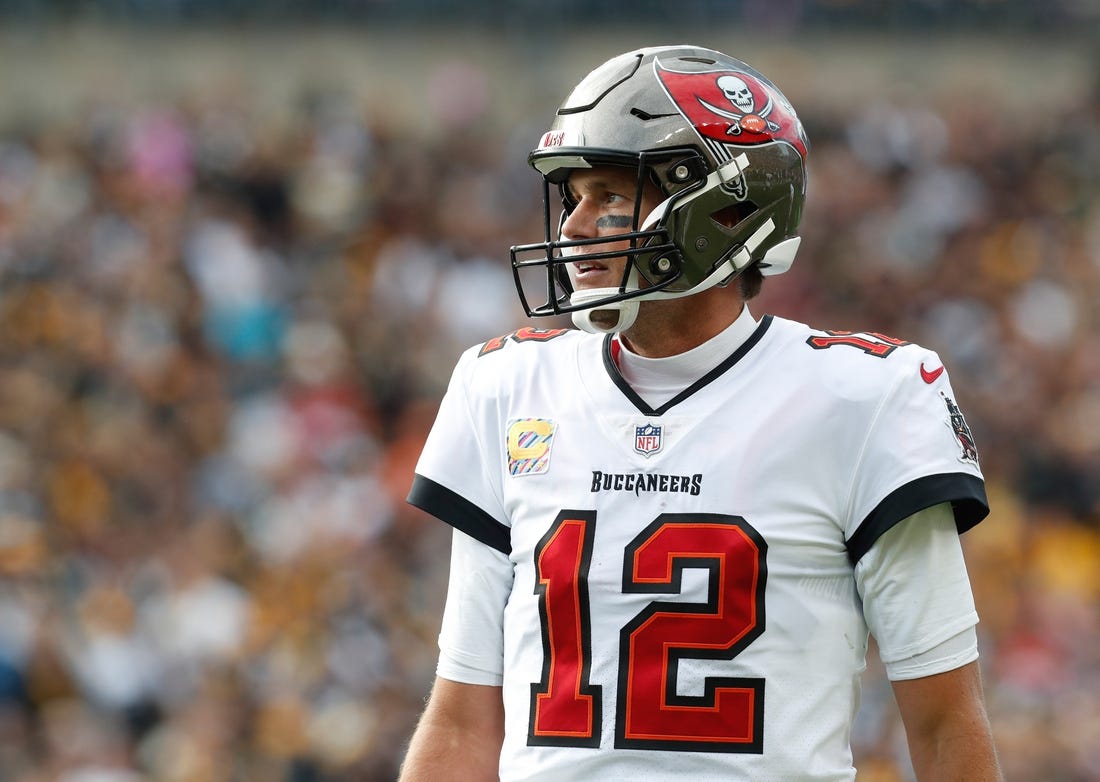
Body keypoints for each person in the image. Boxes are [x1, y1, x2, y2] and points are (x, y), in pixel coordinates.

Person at [399, 44, 1002, 781]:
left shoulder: (865, 398)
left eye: (614, 196)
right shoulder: (508, 386)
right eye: (576, 196)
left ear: (727, 208)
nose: (576, 226)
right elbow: (463, 717)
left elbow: (943, 725)